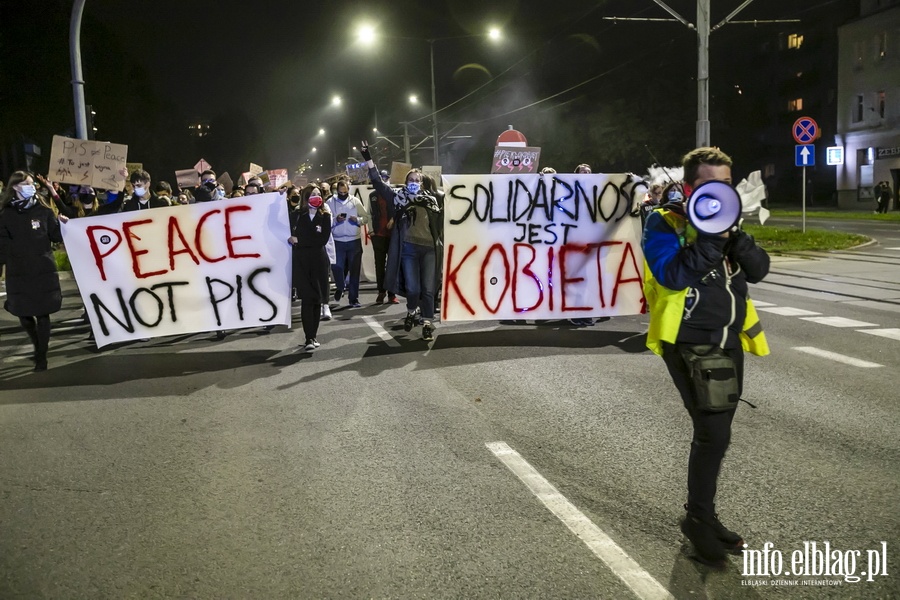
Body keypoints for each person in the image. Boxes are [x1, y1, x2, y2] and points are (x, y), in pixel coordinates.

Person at [642, 147, 770, 568]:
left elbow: (759, 269)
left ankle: (704, 516)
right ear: (691, 186)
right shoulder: (664, 221)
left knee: (718, 432)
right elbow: (672, 274)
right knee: (713, 433)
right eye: (711, 186)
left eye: (727, 185)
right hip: (692, 342)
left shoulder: (729, 224)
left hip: (729, 339)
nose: (721, 192)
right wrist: (711, 237)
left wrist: (736, 237)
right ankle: (698, 521)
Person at [361, 141, 441, 341]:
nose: (413, 182)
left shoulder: (432, 200)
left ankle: (428, 323)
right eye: (410, 179)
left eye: (416, 179)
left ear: (421, 183)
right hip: (408, 249)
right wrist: (368, 159)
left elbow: (440, 224)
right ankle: (412, 310)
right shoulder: (397, 198)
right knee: (413, 288)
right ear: (406, 183)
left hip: (429, 249)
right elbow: (378, 184)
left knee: (429, 288)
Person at [0, 171, 67, 371]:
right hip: (18, 271)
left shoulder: (43, 210)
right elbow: (2, 245)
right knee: (24, 314)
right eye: (27, 184)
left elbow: (55, 236)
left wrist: (63, 225)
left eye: (32, 184)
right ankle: (37, 344)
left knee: (43, 313)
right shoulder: (5, 214)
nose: (32, 187)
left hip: (43, 269)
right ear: (15, 187)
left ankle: (41, 355)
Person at [289, 184, 332, 352]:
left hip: (319, 262)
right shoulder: (297, 215)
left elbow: (322, 240)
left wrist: (300, 240)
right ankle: (309, 337)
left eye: (318, 194)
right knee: (307, 298)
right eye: (312, 194)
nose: (316, 197)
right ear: (306, 197)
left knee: (316, 299)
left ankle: (314, 335)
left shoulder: (325, 216)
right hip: (301, 262)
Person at [327, 179, 369, 308]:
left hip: (353, 241)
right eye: (340, 192)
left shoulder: (355, 201)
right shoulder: (330, 202)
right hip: (338, 241)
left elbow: (366, 218)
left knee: (354, 270)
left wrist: (358, 220)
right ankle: (340, 286)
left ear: (348, 190)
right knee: (337, 267)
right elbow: (325, 220)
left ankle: (353, 298)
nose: (343, 194)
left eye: (345, 192)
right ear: (336, 191)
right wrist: (335, 220)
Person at [368, 170, 398, 305]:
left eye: (385, 178)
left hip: (392, 235)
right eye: (381, 178)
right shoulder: (372, 195)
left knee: (392, 265)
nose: (383, 180)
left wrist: (394, 220)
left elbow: (400, 210)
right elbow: (369, 213)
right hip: (378, 235)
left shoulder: (394, 194)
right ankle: (381, 291)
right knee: (379, 265)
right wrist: (371, 230)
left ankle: (392, 293)